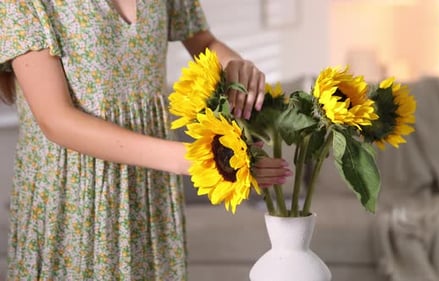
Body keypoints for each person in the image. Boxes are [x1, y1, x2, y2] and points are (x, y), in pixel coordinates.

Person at [0, 1, 291, 280]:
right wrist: (201, 159)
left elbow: (203, 42)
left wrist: (236, 65)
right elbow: (57, 121)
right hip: (74, 192)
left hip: (150, 187)